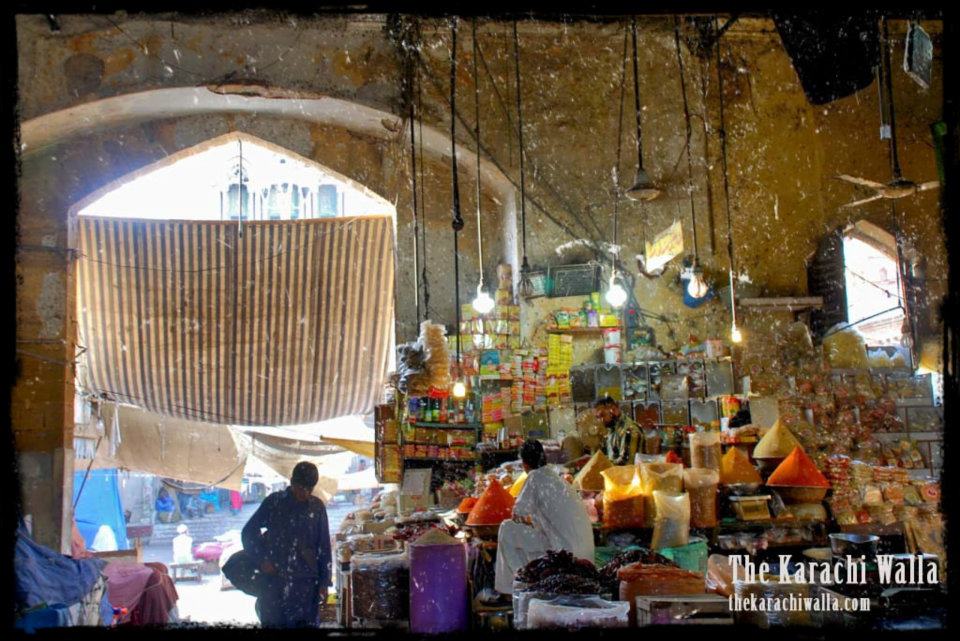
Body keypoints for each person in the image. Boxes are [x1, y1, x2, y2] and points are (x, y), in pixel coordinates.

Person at [494, 440, 595, 595]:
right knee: (528, 537)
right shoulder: (556, 478)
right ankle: (526, 582)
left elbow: (517, 514)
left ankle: (512, 588)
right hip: (584, 554)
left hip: (565, 554)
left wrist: (526, 520)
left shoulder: (535, 477)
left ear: (525, 463)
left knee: (507, 529)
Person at [241, 461, 332, 628]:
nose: (305, 493)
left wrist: (324, 582)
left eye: (309, 489)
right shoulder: (274, 503)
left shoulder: (317, 508)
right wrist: (262, 560)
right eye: (301, 488)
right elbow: (248, 533)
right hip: (275, 584)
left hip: (306, 587)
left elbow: (324, 546)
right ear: (292, 482)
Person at [595, 396, 645, 466]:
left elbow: (626, 464)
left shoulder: (630, 430)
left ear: (613, 409)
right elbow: (612, 458)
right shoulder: (611, 430)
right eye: (598, 417)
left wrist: (602, 465)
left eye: (602, 415)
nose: (601, 420)